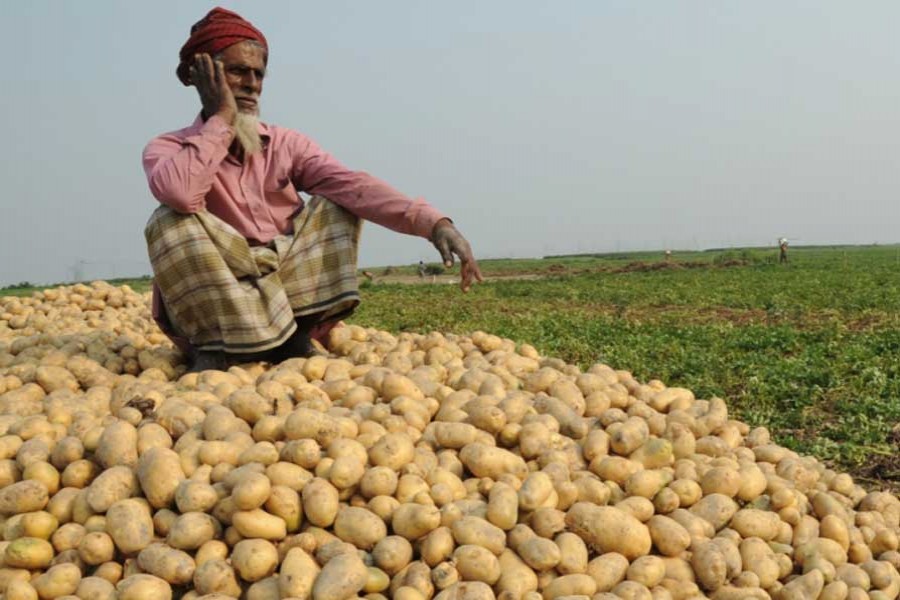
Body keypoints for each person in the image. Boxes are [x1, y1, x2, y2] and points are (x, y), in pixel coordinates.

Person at [142, 7, 482, 371]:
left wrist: (434, 223)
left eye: (259, 74)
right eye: (238, 71)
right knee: (168, 220)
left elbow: (354, 186)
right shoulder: (169, 148)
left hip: (284, 288)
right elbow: (180, 193)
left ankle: (292, 339)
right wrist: (221, 119)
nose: (252, 84)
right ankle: (216, 347)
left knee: (338, 203)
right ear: (204, 77)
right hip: (222, 297)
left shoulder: (286, 144)